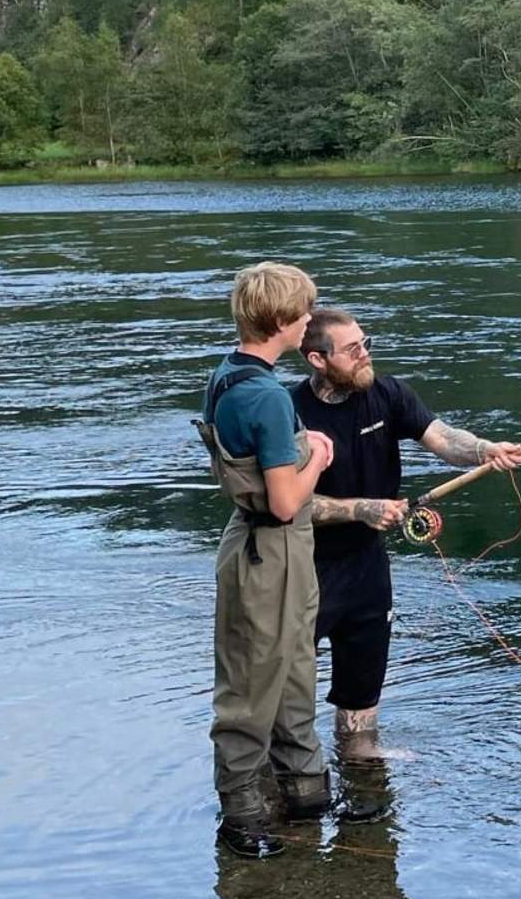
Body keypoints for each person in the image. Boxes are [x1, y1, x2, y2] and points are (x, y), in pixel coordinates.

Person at [290, 308, 521, 792]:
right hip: (303, 566)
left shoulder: (388, 393)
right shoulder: (292, 414)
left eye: (366, 343)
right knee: (287, 682)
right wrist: (360, 509)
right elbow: (289, 502)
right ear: (317, 358)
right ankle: (292, 775)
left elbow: (442, 438)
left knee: (363, 676)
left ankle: (359, 765)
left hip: (367, 566)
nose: (365, 355)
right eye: (352, 349)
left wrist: (485, 450)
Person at [194, 262, 335, 859]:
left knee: (295, 664)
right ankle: (243, 813)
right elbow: (283, 503)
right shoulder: (268, 398)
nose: (310, 321)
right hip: (268, 550)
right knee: (253, 682)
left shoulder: (228, 374)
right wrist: (318, 459)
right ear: (279, 321)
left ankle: (304, 793)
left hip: (260, 547)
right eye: (304, 312)